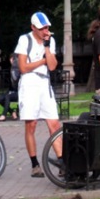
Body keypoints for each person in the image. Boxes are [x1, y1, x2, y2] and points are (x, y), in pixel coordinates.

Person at [16, 11, 61, 178]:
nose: (45, 31)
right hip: (29, 83)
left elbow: (53, 66)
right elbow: (23, 67)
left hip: (44, 82)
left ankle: (61, 160)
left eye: (47, 27)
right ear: (33, 27)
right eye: (42, 28)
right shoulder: (24, 39)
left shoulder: (50, 41)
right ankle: (34, 163)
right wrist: (43, 60)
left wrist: (47, 48)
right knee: (31, 124)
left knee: (54, 123)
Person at [0, 54, 19, 121]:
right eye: (11, 58)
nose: (12, 60)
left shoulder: (20, 69)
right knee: (0, 98)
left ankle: (4, 115)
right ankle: (12, 112)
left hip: (21, 92)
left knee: (7, 96)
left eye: (14, 59)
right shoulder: (11, 69)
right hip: (12, 91)